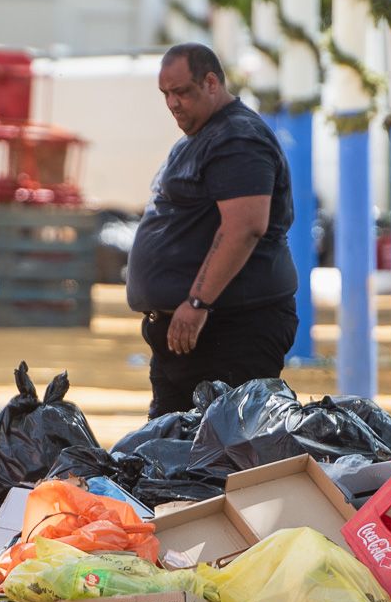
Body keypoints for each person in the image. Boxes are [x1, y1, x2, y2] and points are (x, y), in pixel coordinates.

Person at [125, 43, 298, 417]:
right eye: (165, 94)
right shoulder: (206, 136)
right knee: (171, 454)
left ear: (211, 83)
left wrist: (198, 302)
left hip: (230, 332)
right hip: (191, 337)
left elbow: (245, 227)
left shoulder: (238, 139)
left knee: (227, 456)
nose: (172, 103)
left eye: (182, 91)